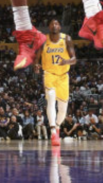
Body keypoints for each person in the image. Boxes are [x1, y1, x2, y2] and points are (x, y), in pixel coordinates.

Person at [34, 17, 75, 146]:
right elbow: (37, 57)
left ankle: (57, 126)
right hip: (49, 74)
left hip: (63, 76)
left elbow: (74, 59)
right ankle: (53, 132)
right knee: (51, 98)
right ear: (49, 27)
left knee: (63, 109)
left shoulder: (66, 39)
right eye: (52, 24)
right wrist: (36, 64)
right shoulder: (43, 40)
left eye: (56, 24)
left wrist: (66, 61)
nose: (54, 26)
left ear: (60, 27)